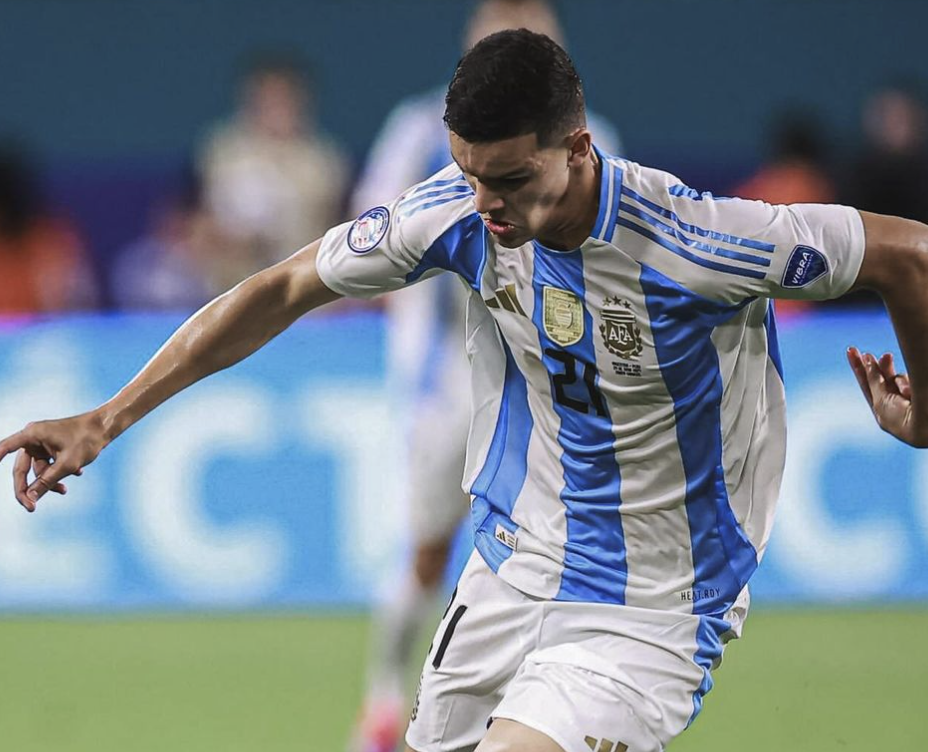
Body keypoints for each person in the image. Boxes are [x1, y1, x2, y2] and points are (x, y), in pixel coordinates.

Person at [1, 30, 926, 752]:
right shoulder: (457, 208)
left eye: (512, 179)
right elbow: (283, 287)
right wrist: (106, 417)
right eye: (472, 174)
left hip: (655, 603)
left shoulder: (700, 238)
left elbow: (907, 252)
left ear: (577, 146)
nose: (486, 205)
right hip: (510, 572)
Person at [348, 3, 622, 750]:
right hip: (448, 382)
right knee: (429, 553)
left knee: (550, 557)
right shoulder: (416, 132)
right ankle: (381, 701)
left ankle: (537, 714)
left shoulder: (595, 143)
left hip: (554, 388)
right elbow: (369, 234)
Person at [197, 54, 350, 292]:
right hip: (230, 289)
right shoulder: (222, 149)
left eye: (284, 97)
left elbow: (335, 226)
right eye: (267, 97)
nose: (276, 106)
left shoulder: (324, 158)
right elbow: (200, 221)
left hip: (305, 291)